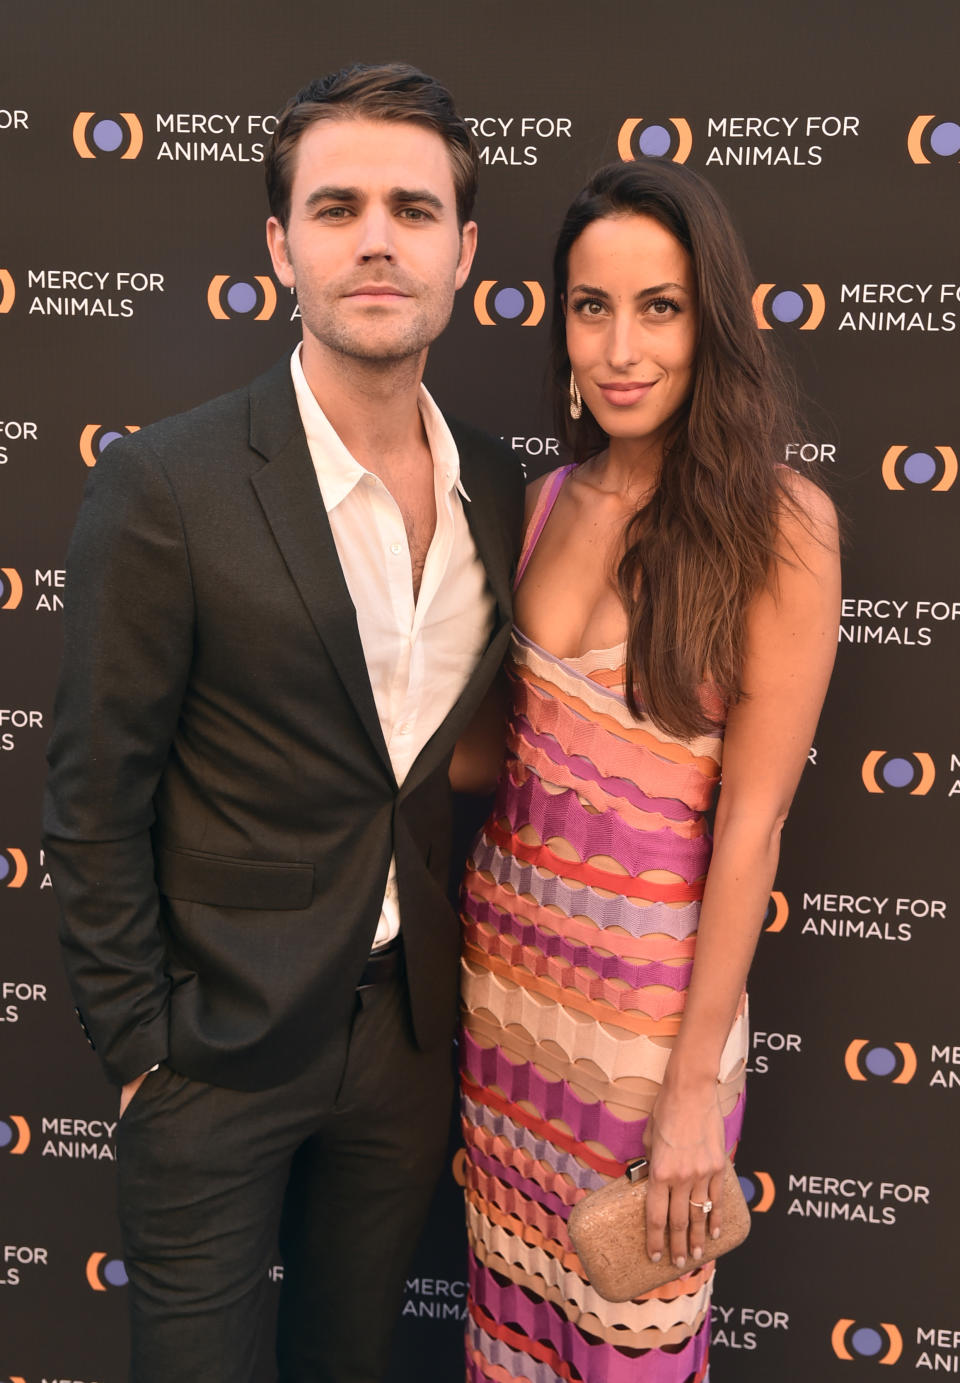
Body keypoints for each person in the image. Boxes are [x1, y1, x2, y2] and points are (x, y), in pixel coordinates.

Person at [42, 63, 523, 1383]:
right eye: (340, 205)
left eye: (414, 210)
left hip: (409, 1045)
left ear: (463, 250)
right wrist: (142, 1049)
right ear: (281, 244)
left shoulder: (498, 479)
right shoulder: (167, 481)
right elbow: (92, 791)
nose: (377, 238)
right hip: (214, 1049)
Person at [456, 159, 840, 1382]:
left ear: (709, 321)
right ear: (559, 323)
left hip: (644, 1038)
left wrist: (688, 1096)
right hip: (505, 1004)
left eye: (659, 307)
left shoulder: (781, 527)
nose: (621, 346)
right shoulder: (537, 502)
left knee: (628, 1352)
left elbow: (755, 826)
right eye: (590, 306)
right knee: (509, 1337)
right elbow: (483, 760)